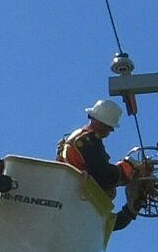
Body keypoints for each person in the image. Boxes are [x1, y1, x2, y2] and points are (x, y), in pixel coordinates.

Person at [57, 98, 146, 232]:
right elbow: (105, 175)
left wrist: (133, 207)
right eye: (110, 128)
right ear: (103, 124)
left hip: (73, 197)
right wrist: (128, 168)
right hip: (78, 194)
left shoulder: (74, 138)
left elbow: (111, 224)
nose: (110, 131)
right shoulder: (88, 140)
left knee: (101, 222)